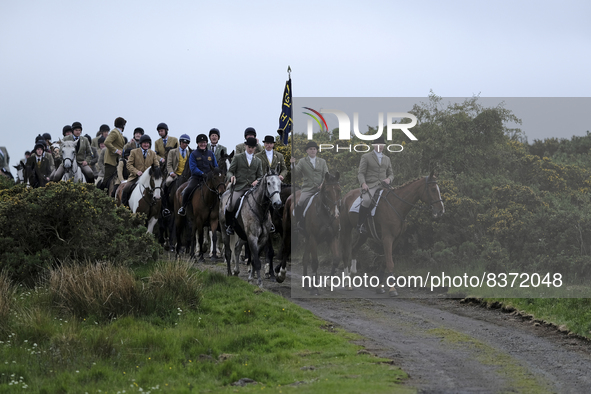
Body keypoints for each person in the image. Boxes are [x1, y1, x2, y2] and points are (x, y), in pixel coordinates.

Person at [224, 137, 263, 235]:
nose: (250, 149)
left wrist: (257, 181)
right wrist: (231, 176)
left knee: (264, 202)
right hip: (240, 186)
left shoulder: (258, 161)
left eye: (252, 148)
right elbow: (230, 171)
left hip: (252, 188)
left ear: (255, 148)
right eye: (249, 147)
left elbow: (260, 176)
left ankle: (267, 224)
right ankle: (230, 225)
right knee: (231, 204)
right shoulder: (238, 157)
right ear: (246, 146)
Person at [356, 136, 394, 233]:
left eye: (382, 145)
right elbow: (361, 173)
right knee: (367, 200)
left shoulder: (387, 159)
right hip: (371, 185)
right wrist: (363, 183)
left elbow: (391, 173)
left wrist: (389, 179)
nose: (380, 146)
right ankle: (360, 224)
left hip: (384, 185)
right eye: (378, 144)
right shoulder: (366, 157)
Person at [290, 140, 329, 231]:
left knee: (332, 200)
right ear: (307, 151)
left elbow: (326, 174)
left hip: (321, 189)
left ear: (316, 151)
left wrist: (323, 184)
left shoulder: (322, 161)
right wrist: (292, 164)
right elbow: (296, 173)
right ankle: (299, 223)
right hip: (308, 189)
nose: (312, 151)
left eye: (314, 149)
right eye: (310, 149)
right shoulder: (302, 161)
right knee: (301, 201)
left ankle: (334, 223)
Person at [177, 134, 217, 216]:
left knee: (219, 189)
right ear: (198, 143)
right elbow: (193, 168)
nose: (203, 144)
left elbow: (215, 166)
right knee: (188, 189)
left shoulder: (211, 153)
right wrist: (202, 173)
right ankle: (183, 208)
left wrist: (214, 173)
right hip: (197, 178)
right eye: (201, 142)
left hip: (209, 178)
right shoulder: (193, 154)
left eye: (205, 142)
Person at [121, 134, 159, 207]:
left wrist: (153, 172)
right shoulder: (134, 152)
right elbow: (129, 165)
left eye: (147, 143)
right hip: (135, 177)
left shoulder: (153, 153)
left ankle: (162, 210)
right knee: (126, 188)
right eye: (144, 143)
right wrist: (136, 172)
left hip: (148, 178)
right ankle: (124, 207)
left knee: (159, 189)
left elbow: (157, 165)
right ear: (141, 143)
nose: (146, 145)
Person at [103, 117, 127, 187]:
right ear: (122, 125)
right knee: (106, 179)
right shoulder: (115, 132)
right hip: (111, 160)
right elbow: (106, 142)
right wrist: (116, 150)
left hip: (117, 160)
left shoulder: (120, 133)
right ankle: (100, 193)